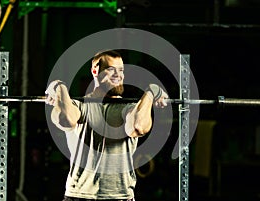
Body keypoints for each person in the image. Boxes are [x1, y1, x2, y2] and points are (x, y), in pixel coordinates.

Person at [45, 49, 169, 201]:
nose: (118, 75)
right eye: (111, 70)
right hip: (78, 195)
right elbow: (66, 119)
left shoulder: (128, 108)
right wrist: (58, 86)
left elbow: (138, 127)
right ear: (95, 70)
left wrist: (151, 91)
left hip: (120, 196)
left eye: (121, 70)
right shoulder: (79, 105)